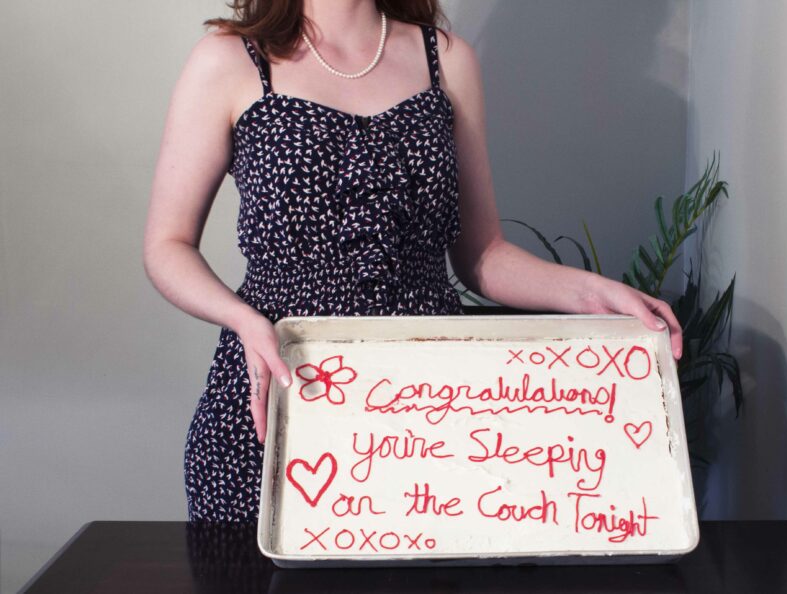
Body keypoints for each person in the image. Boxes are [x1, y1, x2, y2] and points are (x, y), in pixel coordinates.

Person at [142, 0, 684, 522]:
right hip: (281, 394)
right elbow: (167, 245)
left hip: (426, 414)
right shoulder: (229, 59)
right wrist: (244, 319)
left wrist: (598, 295)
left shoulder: (447, 59)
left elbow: (482, 255)